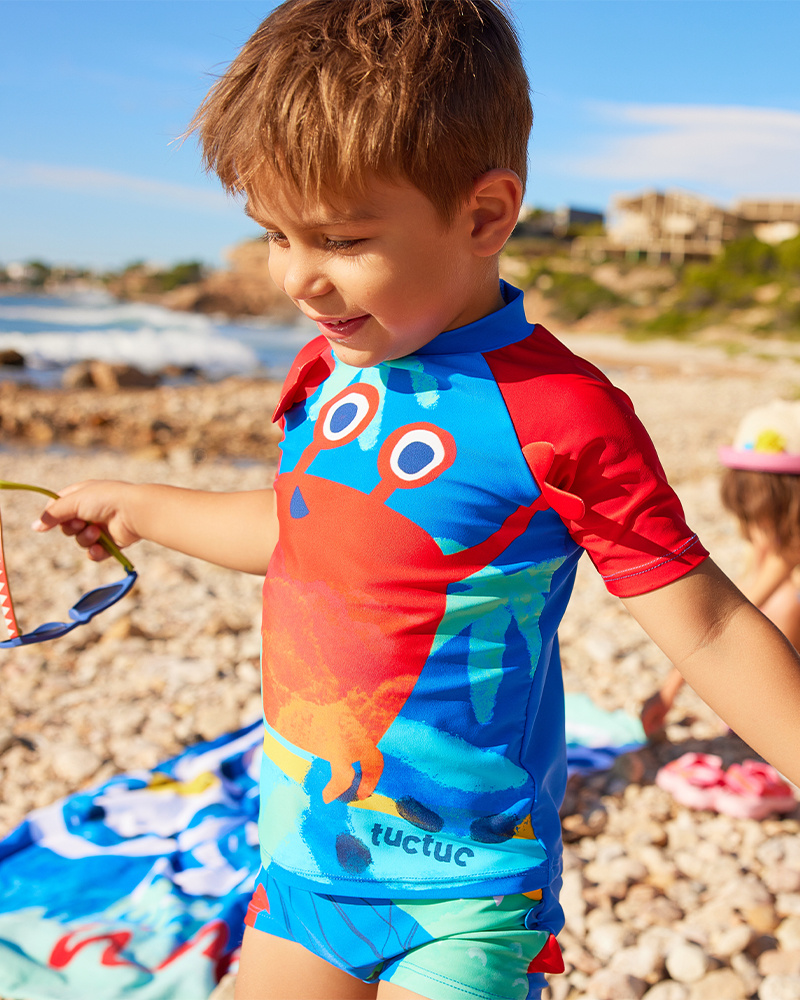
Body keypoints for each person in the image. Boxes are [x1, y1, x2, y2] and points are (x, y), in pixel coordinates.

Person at [33, 3, 800, 999]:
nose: (298, 278)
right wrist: (143, 503)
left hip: (467, 894)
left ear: (483, 215)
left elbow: (703, 629)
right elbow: (300, 530)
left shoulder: (558, 415)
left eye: (340, 237)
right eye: (273, 234)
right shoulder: (327, 369)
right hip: (302, 870)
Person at [641, 399, 800, 737]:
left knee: (782, 604)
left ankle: (779, 711)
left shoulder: (791, 539)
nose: (759, 527)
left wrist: (670, 689)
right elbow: (746, 586)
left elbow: (735, 608)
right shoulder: (775, 524)